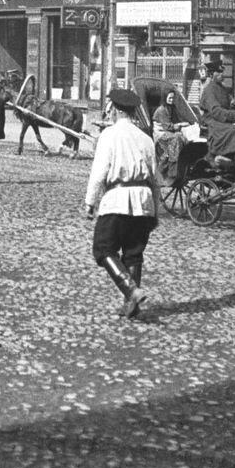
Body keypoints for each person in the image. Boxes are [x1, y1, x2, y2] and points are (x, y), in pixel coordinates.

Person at [85, 87, 163, 319]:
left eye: (110, 109)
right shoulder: (146, 138)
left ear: (116, 110)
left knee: (103, 249)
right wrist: (156, 212)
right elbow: (155, 180)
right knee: (133, 253)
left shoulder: (109, 135)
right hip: (144, 202)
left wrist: (90, 201)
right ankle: (133, 306)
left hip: (117, 199)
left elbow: (99, 173)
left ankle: (131, 290)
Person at [199, 57, 235, 165]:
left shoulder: (221, 88)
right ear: (212, 74)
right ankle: (220, 155)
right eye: (219, 72)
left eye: (222, 72)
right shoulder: (210, 90)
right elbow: (215, 111)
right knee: (231, 130)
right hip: (211, 120)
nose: (222, 74)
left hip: (220, 118)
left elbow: (228, 103)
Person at [152, 90, 185, 188]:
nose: (171, 100)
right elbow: (167, 126)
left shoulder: (171, 108)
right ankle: (172, 168)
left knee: (182, 137)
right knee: (175, 138)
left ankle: (179, 164)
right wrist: (180, 125)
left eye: (173, 98)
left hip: (168, 131)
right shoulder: (161, 110)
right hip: (160, 133)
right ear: (165, 98)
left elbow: (176, 120)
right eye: (169, 98)